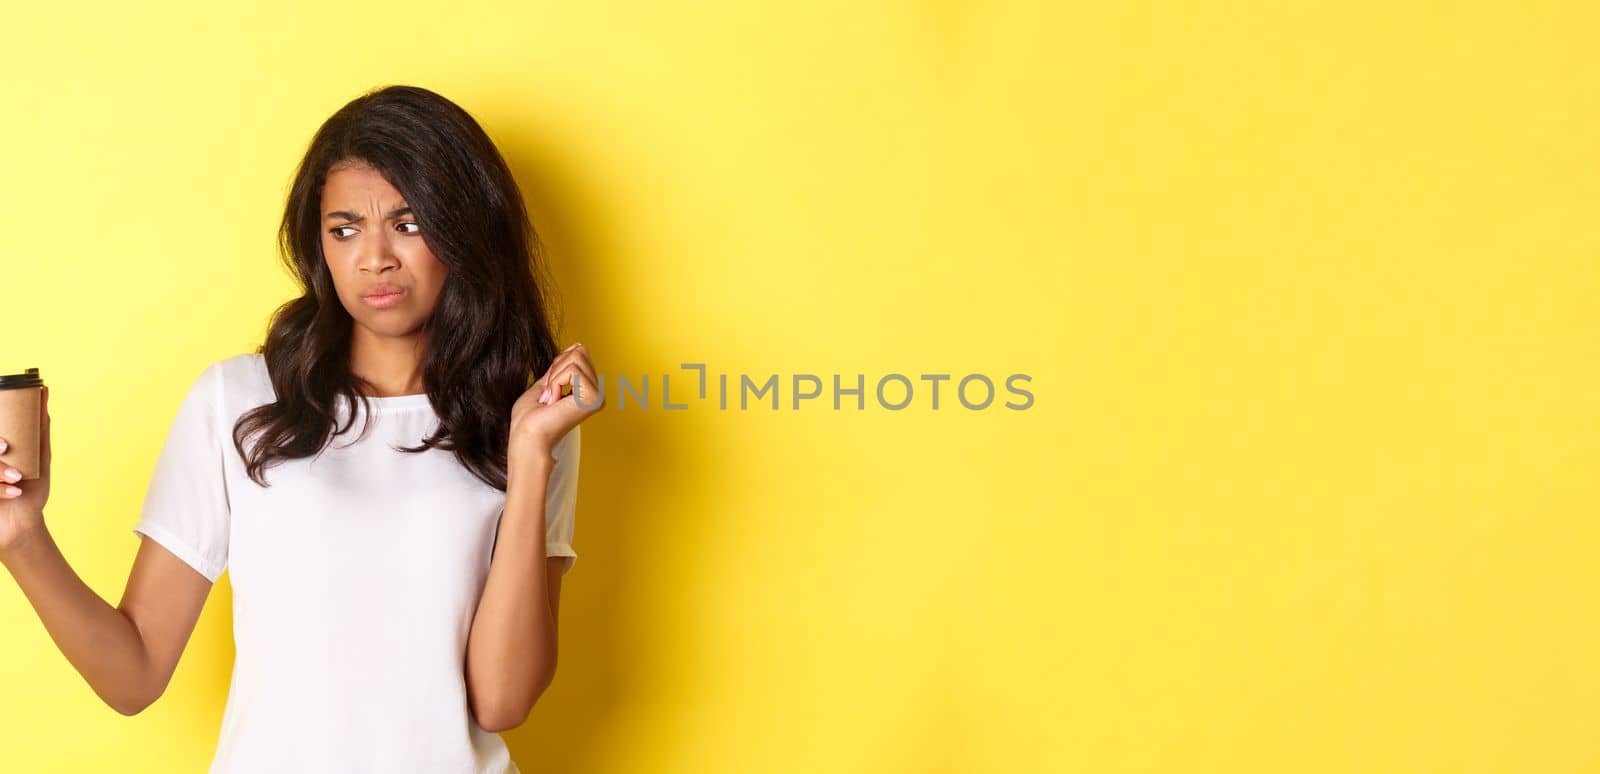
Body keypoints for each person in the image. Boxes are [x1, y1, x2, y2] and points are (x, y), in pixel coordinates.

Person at [0, 84, 604, 773]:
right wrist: (21, 536)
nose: (374, 257)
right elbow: (132, 675)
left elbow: (501, 702)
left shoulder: (528, 421)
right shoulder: (237, 401)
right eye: (344, 229)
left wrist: (530, 459)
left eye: (408, 224)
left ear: (464, 230)